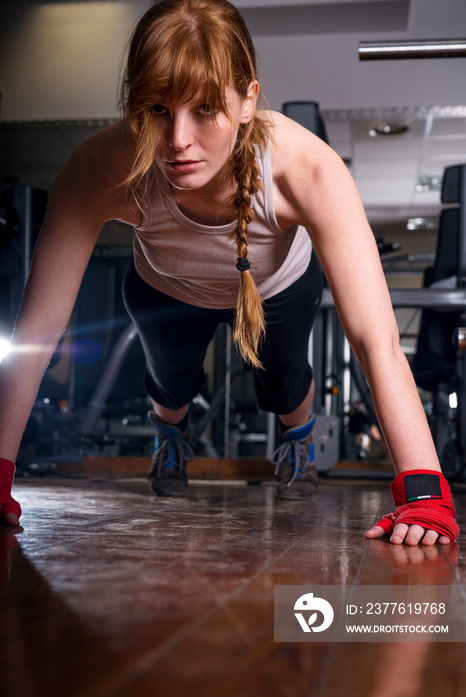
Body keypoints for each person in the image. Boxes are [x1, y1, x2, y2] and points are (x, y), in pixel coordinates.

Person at [0, 0, 459, 546]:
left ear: (248, 100)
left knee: (287, 381)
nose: (177, 140)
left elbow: (374, 339)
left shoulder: (306, 168)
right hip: (164, 287)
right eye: (156, 110)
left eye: (205, 110)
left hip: (277, 288)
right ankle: (170, 436)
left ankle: (298, 439)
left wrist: (425, 491)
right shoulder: (101, 166)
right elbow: (37, 329)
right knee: (170, 385)